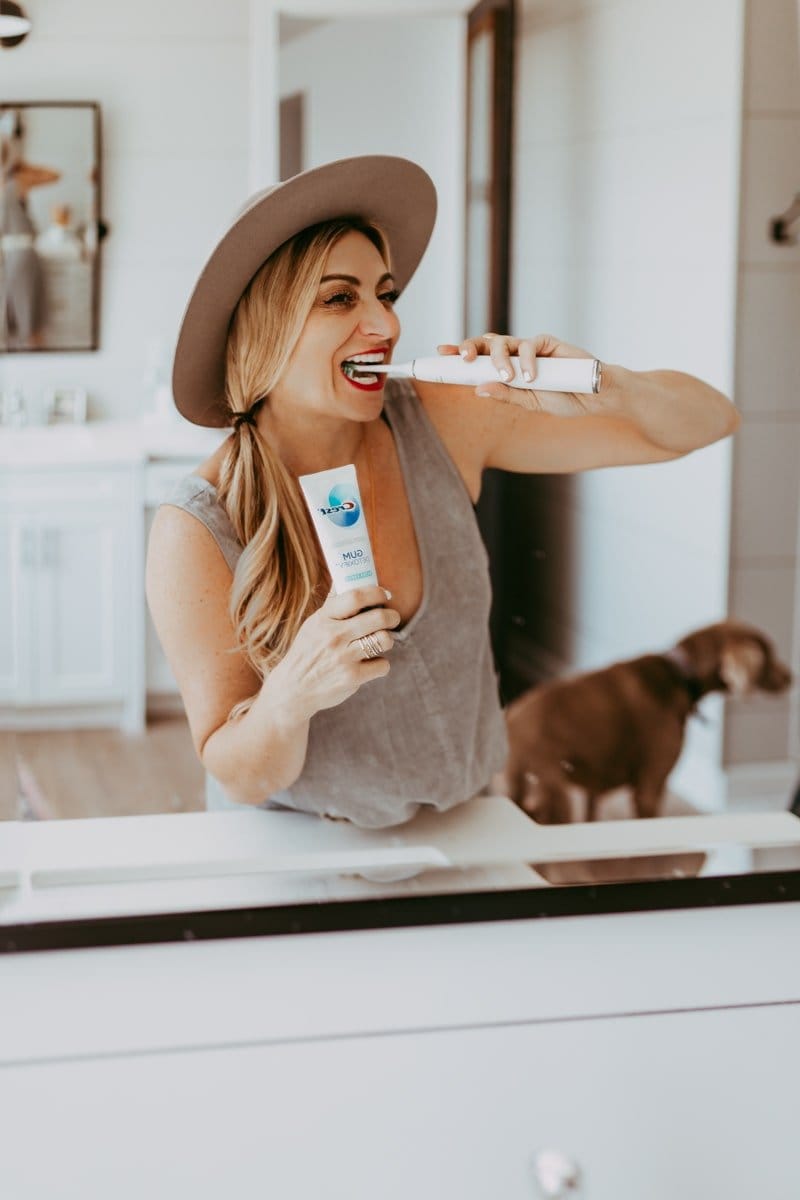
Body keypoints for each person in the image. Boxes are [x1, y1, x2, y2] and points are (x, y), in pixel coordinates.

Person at [146, 154, 740, 830]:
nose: (386, 324)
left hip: (468, 827)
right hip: (293, 852)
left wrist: (599, 381)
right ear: (263, 328)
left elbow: (709, 421)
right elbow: (240, 775)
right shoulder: (196, 528)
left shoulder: (444, 416)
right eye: (341, 298)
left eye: (386, 294)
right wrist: (290, 699)